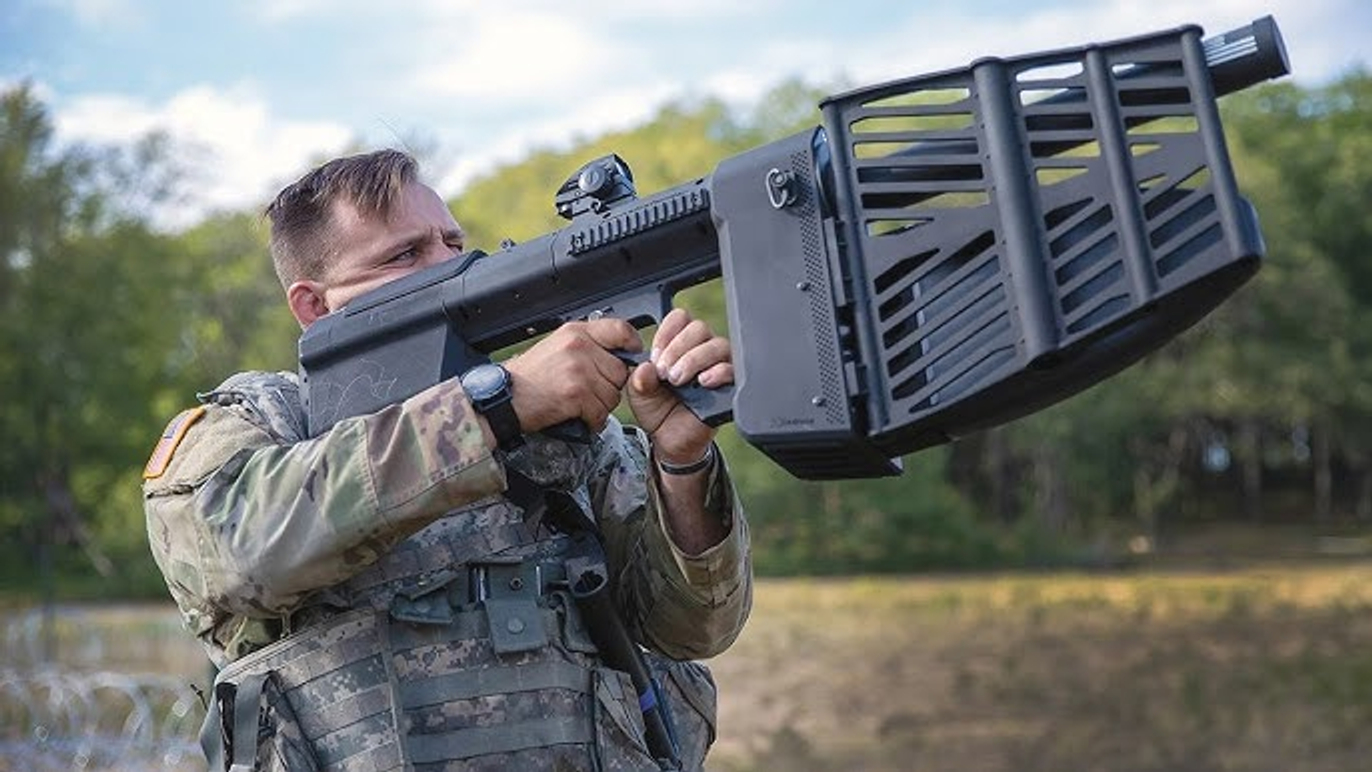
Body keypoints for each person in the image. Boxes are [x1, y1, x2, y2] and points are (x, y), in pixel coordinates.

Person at [141, 148, 753, 771]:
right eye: (405, 254)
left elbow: (695, 629)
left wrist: (681, 460)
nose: (451, 264)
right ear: (314, 306)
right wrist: (495, 410)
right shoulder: (258, 424)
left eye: (453, 242)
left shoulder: (568, 431)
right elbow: (241, 555)